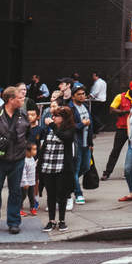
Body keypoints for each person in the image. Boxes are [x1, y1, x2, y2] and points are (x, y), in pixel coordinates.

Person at [0, 87, 30, 234]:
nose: (22, 100)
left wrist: (24, 149)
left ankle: (14, 222)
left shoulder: (23, 114)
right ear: (11, 100)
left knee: (15, 192)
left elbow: (27, 133)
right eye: (20, 98)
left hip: (17, 159)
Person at [38, 102, 75, 232]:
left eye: (57, 116)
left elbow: (65, 137)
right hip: (48, 166)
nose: (53, 118)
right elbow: (44, 146)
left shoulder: (69, 130)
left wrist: (52, 125)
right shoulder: (50, 130)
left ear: (64, 118)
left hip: (62, 167)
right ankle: (51, 220)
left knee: (62, 194)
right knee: (51, 195)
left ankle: (62, 220)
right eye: (53, 116)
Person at [103, 80, 132, 176]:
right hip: (122, 128)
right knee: (116, 150)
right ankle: (107, 172)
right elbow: (112, 109)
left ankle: (128, 172)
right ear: (129, 89)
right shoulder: (120, 97)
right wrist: (123, 112)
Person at [70, 85, 94, 206]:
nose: (82, 96)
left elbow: (91, 126)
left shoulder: (85, 107)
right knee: (76, 169)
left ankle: (69, 182)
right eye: (79, 94)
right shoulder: (70, 108)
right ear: (73, 96)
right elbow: (69, 127)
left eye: (83, 94)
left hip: (86, 144)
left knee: (86, 167)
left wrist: (91, 143)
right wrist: (82, 124)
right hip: (76, 144)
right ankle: (78, 193)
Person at [20, 142, 40, 217]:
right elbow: (23, 173)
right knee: (22, 196)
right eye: (34, 149)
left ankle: (32, 208)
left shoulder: (31, 158)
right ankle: (19, 209)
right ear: (27, 151)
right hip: (25, 183)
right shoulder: (24, 161)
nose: (36, 151)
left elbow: (32, 167)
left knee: (32, 196)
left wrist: (36, 163)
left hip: (32, 182)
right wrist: (25, 183)